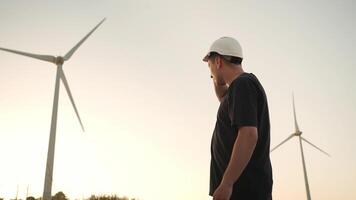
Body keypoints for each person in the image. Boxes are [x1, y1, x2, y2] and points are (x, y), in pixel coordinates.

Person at [203, 37, 273, 200]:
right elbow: (222, 96)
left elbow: (249, 135)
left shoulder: (243, 84)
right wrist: (215, 76)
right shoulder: (238, 88)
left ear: (218, 61)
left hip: (244, 191)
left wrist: (227, 183)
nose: (210, 72)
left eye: (210, 65)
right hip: (240, 190)